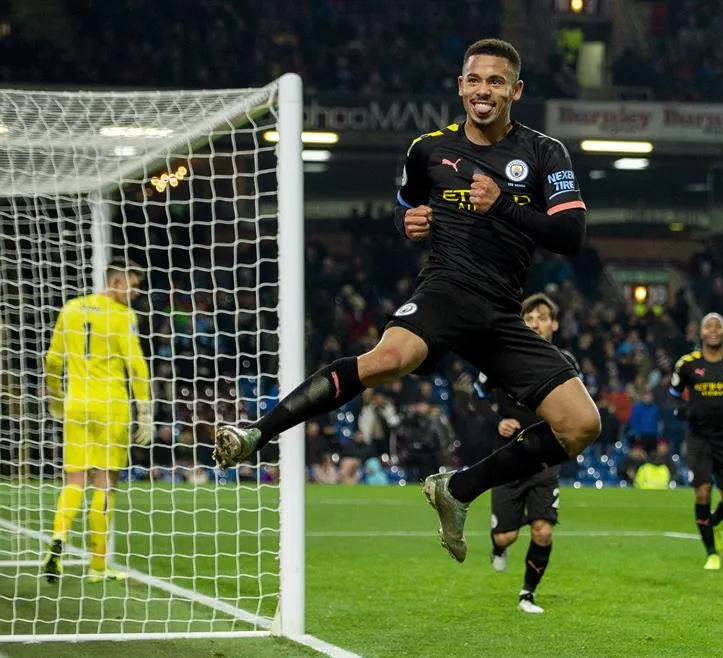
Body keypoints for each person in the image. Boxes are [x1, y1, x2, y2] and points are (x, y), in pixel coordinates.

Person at [213, 38, 600, 562]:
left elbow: (571, 235)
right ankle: (257, 434)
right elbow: (406, 206)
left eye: (496, 81)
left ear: (516, 90)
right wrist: (408, 222)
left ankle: (458, 489)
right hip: (444, 293)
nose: (484, 90)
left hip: (501, 315)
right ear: (460, 85)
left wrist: (504, 206)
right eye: (475, 79)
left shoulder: (543, 151)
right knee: (388, 359)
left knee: (581, 425)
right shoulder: (428, 150)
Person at [43, 258, 153, 583]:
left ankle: (59, 539)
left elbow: (52, 360)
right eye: (133, 286)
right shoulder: (122, 316)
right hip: (111, 407)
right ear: (117, 282)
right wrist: (145, 410)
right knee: (105, 483)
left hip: (76, 404)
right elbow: (136, 364)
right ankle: (97, 566)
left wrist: (55, 398)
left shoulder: (72, 308)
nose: (135, 293)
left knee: (74, 481)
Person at [474, 293, 580, 613]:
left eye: (542, 317)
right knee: (506, 537)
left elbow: (578, 410)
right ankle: (499, 541)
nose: (535, 323)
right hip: (507, 458)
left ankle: (527, 594)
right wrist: (498, 419)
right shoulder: (501, 358)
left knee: (543, 531)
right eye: (528, 318)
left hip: (545, 460)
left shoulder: (566, 364)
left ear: (554, 325)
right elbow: (476, 398)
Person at [670, 313, 723, 571]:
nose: (713, 330)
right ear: (701, 333)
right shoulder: (687, 364)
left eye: (718, 326)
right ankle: (711, 553)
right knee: (702, 492)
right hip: (699, 438)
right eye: (708, 326)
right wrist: (679, 409)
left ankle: (712, 523)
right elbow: (674, 394)